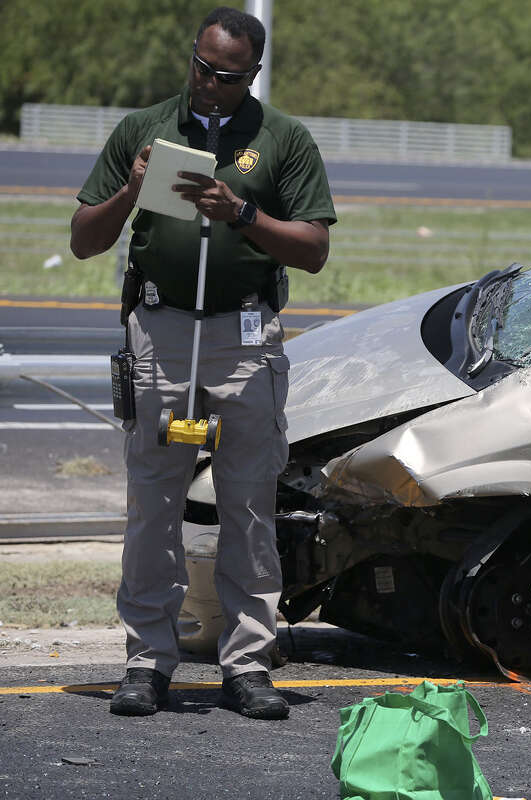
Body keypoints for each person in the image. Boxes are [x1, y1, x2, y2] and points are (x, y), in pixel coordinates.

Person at [70, 7, 336, 720]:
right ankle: (146, 660)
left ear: (253, 74)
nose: (209, 84)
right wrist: (132, 189)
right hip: (161, 334)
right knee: (151, 504)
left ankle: (247, 663)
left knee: (248, 505)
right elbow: (83, 241)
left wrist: (240, 214)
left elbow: (313, 250)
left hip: (245, 338)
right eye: (201, 67)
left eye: (227, 76)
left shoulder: (282, 139)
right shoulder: (145, 129)